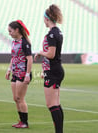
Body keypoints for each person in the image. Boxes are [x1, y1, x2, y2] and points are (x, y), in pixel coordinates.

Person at [34, 4, 64, 133]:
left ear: (47, 18)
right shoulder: (57, 32)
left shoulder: (52, 34)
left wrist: (40, 52)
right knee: (56, 103)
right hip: (54, 70)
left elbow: (51, 54)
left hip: (53, 71)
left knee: (51, 104)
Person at [5, 20, 33, 128]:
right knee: (15, 98)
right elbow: (14, 57)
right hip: (15, 72)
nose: (9, 33)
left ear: (17, 30)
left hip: (22, 73)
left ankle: (25, 123)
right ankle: (21, 121)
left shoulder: (24, 43)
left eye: (10, 31)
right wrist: (9, 69)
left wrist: (27, 74)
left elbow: (29, 59)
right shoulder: (14, 42)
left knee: (20, 98)